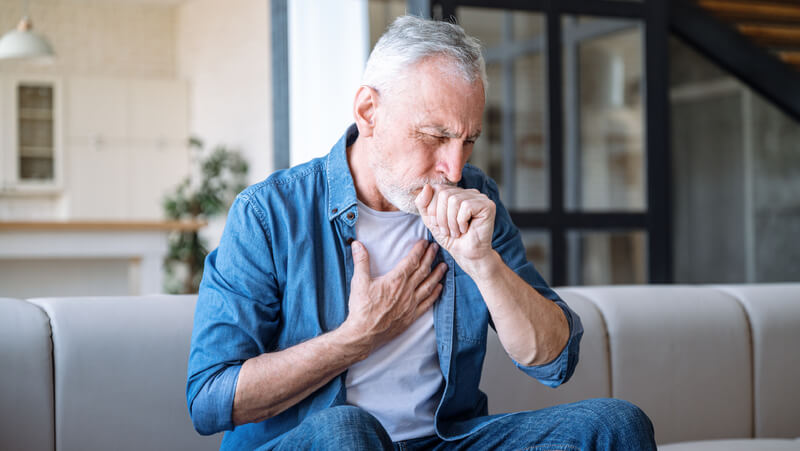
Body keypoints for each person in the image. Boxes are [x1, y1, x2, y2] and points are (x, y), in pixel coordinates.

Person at [186, 15, 656, 450]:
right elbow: (210, 400)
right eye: (434, 137)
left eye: (468, 141)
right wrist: (356, 337)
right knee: (347, 430)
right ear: (369, 111)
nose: (454, 168)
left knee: (616, 425)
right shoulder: (269, 213)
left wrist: (484, 265)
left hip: (442, 441)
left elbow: (554, 360)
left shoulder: (476, 197)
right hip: (326, 442)